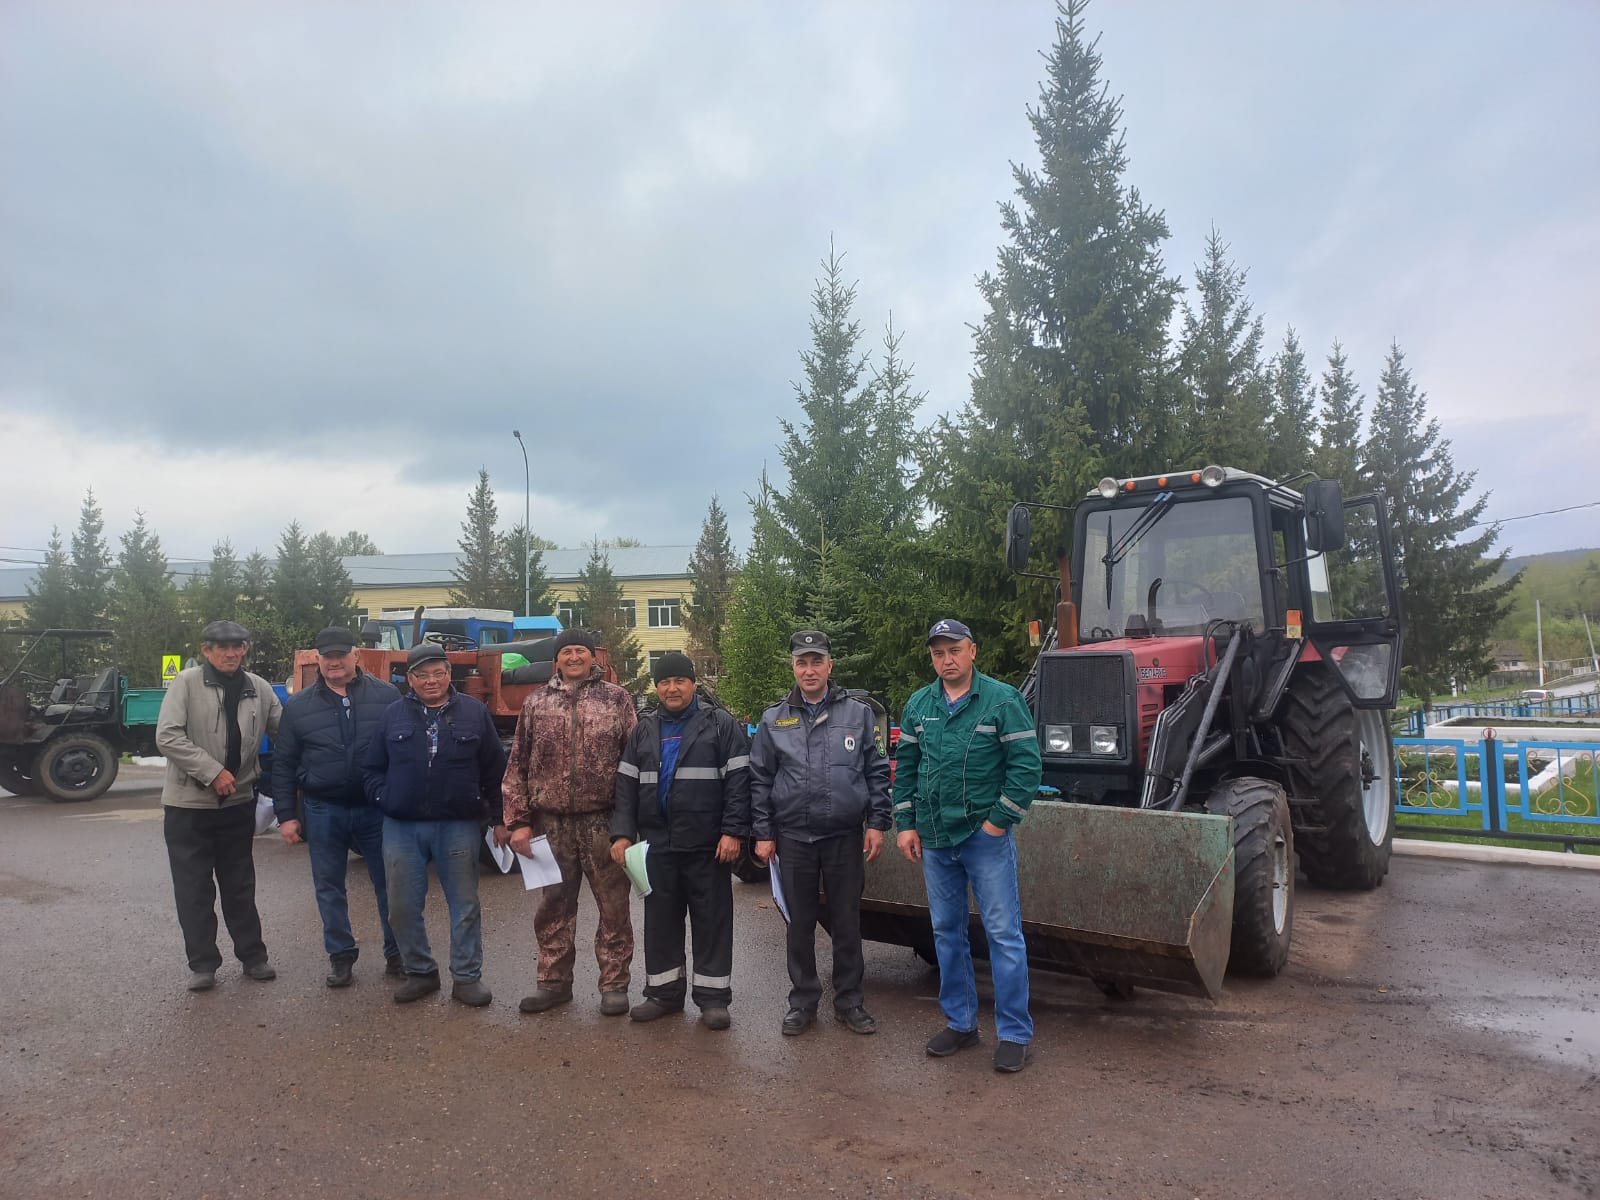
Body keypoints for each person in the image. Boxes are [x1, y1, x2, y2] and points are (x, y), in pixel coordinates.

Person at [893, 619, 1042, 1073]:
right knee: (946, 932)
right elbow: (906, 767)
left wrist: (998, 823)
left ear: (972, 651)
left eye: (954, 650)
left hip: (984, 838)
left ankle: (1014, 1033)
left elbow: (1026, 767)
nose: (947, 660)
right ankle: (960, 1023)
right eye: (938, 653)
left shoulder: (1002, 701)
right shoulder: (919, 705)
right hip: (935, 839)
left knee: (1003, 934)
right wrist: (905, 824)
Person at [750, 630, 891, 1036]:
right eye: (802, 663)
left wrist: (877, 822)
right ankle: (803, 1002)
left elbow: (876, 770)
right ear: (793, 667)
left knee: (847, 923)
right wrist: (763, 832)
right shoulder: (773, 719)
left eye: (816, 662)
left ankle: (850, 1002)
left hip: (844, 836)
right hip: (793, 837)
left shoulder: (858, 714)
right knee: (800, 925)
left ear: (830, 665)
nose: (809, 670)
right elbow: (760, 779)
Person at [362, 642, 508, 1007]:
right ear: (410, 679)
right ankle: (421, 971)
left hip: (457, 824)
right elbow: (371, 768)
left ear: (449, 674)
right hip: (402, 826)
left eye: (438, 673)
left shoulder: (474, 712)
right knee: (401, 907)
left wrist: (500, 818)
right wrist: (386, 798)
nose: (431, 681)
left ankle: (467, 978)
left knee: (465, 904)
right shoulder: (392, 714)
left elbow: (495, 771)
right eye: (423, 675)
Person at [610, 651, 750, 1030]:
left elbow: (739, 783)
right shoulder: (644, 730)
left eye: (679, 681)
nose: (672, 688)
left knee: (712, 922)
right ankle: (663, 994)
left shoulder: (720, 724)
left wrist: (733, 831)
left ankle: (713, 999)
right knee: (660, 923)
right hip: (658, 847)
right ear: (657, 687)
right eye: (665, 682)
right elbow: (625, 787)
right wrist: (622, 834)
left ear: (693, 684)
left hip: (708, 846)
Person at [502, 629, 638, 1016]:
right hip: (550, 824)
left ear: (593, 657)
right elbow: (517, 764)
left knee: (614, 909)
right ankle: (553, 983)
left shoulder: (617, 699)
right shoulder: (536, 702)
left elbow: (634, 764)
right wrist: (518, 821)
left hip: (603, 823)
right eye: (567, 651)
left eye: (581, 650)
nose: (574, 657)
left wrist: (629, 825)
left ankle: (614, 985)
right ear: (556, 660)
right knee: (553, 907)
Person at [156, 619, 283, 992]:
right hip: (188, 806)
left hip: (237, 803)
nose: (231, 653)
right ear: (207, 650)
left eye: (237, 646)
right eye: (222, 647)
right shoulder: (186, 683)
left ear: (245, 649)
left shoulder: (259, 688)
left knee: (240, 884)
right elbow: (168, 736)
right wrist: (212, 772)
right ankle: (203, 965)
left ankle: (253, 957)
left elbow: (285, 731)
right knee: (194, 889)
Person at [271, 627, 402, 988]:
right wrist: (286, 815)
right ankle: (341, 955)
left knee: (390, 883)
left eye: (341, 655)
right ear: (318, 659)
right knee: (328, 886)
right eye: (327, 656)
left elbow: (401, 753)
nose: (334, 662)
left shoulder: (387, 696)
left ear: (355, 656)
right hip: (323, 809)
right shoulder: (298, 706)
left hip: (375, 810)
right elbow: (283, 764)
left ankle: (397, 953)